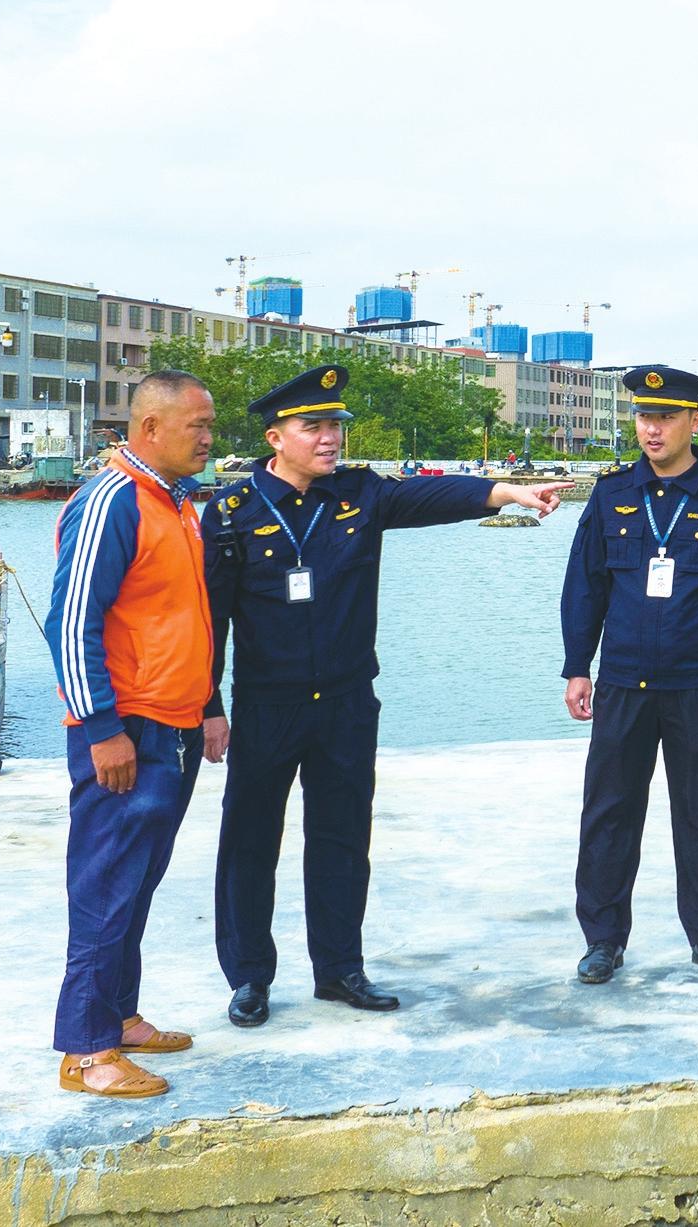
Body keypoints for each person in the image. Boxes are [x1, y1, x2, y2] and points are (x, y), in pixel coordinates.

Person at [204, 364, 568, 1028]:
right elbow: (212, 621)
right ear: (275, 437)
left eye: (335, 426)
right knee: (250, 841)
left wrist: (508, 492)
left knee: (342, 838)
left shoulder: (359, 495)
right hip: (267, 706)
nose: (330, 438)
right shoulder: (233, 512)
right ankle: (249, 976)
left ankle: (340, 969)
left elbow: (433, 496)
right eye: (313, 427)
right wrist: (209, 707)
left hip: (346, 703)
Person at [43, 369, 225, 1098]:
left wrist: (208, 703)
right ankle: (87, 1051)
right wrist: (101, 729)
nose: (209, 438)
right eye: (197, 426)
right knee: (104, 885)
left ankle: (119, 1015)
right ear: (150, 428)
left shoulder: (175, 503)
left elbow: (183, 615)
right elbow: (70, 621)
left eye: (210, 425)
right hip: (127, 729)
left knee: (136, 882)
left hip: (174, 724)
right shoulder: (112, 500)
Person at [558, 366, 698, 985]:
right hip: (623, 681)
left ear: (694, 421)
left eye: (667, 417)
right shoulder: (611, 492)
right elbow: (585, 585)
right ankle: (603, 940)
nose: (653, 429)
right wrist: (577, 666)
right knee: (608, 813)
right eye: (645, 417)